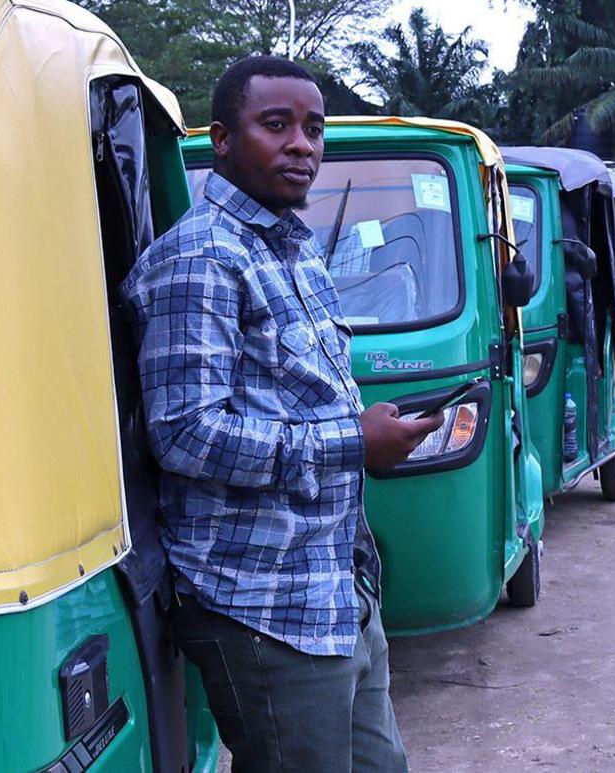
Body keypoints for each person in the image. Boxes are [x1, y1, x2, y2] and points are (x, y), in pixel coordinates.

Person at [123, 56, 442, 772]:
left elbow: (296, 393)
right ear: (224, 139)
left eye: (313, 128)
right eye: (277, 125)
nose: (302, 144)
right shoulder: (201, 259)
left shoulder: (292, 250)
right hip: (261, 604)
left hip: (335, 586)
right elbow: (185, 433)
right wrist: (353, 442)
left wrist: (365, 427)